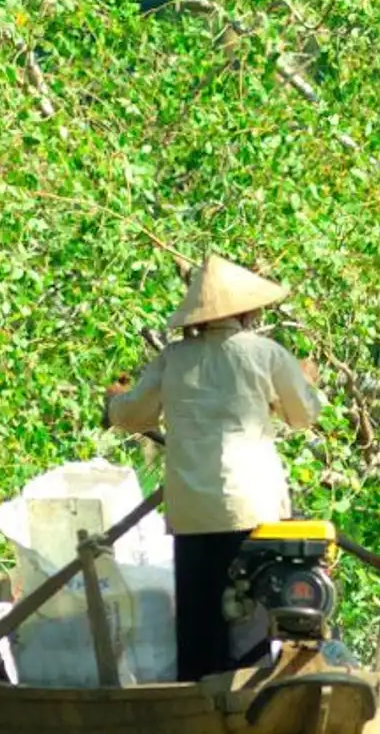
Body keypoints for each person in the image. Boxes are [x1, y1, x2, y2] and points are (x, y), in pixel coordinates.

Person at [105, 255, 323, 682]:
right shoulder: (266, 354)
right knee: (250, 617)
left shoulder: (174, 359)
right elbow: (303, 414)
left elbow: (134, 415)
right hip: (253, 509)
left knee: (199, 622)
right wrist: (305, 382)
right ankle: (247, 698)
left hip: (193, 512)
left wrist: (114, 402)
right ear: (247, 312)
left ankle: (194, 698)